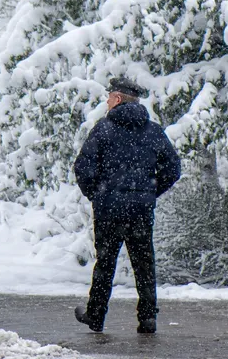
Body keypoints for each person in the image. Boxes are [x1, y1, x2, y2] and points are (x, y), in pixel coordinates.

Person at [72, 77, 182, 334]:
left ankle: (96, 316)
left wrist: (97, 195)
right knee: (144, 263)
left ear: (118, 99)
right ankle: (147, 318)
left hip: (109, 210)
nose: (107, 102)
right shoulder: (152, 130)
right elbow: (173, 168)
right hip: (140, 210)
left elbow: (83, 167)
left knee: (105, 263)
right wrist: (150, 192)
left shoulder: (104, 129)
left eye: (109, 97)